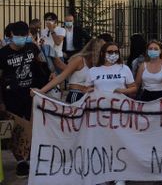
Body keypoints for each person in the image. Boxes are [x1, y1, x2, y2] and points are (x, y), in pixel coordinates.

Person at [0, 21, 50, 178]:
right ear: (10, 36)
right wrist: (1, 101)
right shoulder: (2, 54)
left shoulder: (33, 48)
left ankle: (31, 157)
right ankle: (21, 161)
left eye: (24, 35)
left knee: (33, 126)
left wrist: (48, 78)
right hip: (11, 97)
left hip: (32, 94)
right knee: (16, 129)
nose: (22, 38)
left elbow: (42, 66)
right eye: (18, 35)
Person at [34, 37, 105, 103]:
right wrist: (41, 91)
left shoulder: (99, 64)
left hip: (91, 97)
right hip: (77, 95)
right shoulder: (79, 60)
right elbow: (61, 77)